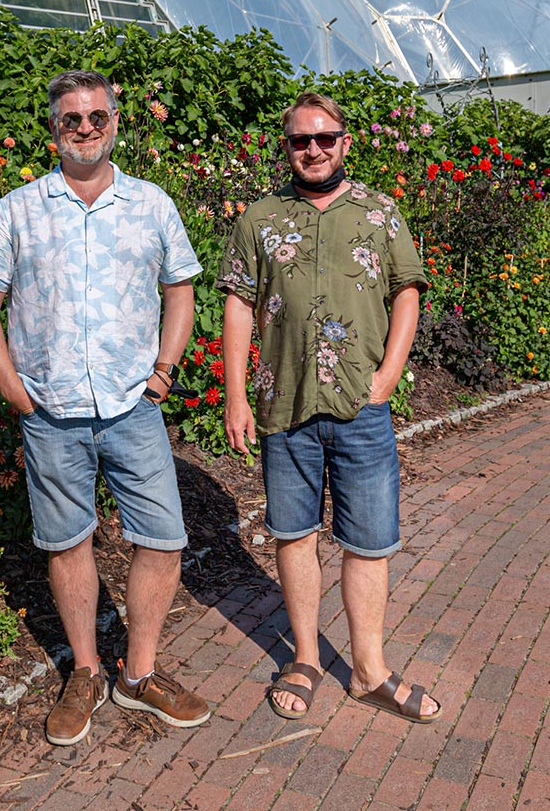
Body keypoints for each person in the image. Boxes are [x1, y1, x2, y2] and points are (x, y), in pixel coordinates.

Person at [0, 69, 210, 747]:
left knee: (162, 536)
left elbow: (180, 287)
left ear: (115, 123)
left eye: (96, 116)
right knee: (66, 539)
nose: (85, 128)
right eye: (71, 119)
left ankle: (140, 674)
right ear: (53, 128)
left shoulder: (151, 203)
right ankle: (86, 670)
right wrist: (13, 386)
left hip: (133, 405)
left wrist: (163, 373)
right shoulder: (18, 208)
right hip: (52, 409)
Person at [216, 91, 442, 723]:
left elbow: (407, 290)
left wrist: (389, 373)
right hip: (284, 404)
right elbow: (238, 304)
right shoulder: (258, 219)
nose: (311, 150)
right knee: (293, 533)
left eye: (324, 138)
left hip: (360, 408)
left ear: (345, 142)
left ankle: (369, 671)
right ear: (285, 145)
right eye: (299, 140)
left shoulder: (379, 212)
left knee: (368, 541)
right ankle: (307, 658)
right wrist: (236, 393)